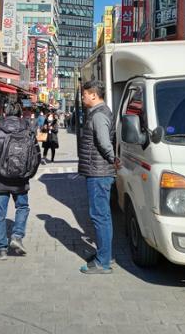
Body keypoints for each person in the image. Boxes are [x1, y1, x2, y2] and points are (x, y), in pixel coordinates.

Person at [0, 103, 41, 260]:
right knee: (22, 207)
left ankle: (1, 249)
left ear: (4, 114)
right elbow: (36, 157)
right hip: (21, 180)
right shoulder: (28, 132)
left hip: (0, 180)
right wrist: (28, 174)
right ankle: (17, 236)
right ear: (20, 114)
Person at [77, 80, 119, 275]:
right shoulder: (99, 113)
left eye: (85, 94)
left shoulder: (99, 115)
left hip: (98, 172)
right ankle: (105, 255)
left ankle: (103, 262)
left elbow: (103, 141)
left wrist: (113, 158)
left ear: (94, 95)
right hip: (99, 171)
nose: (83, 97)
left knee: (99, 216)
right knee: (103, 216)